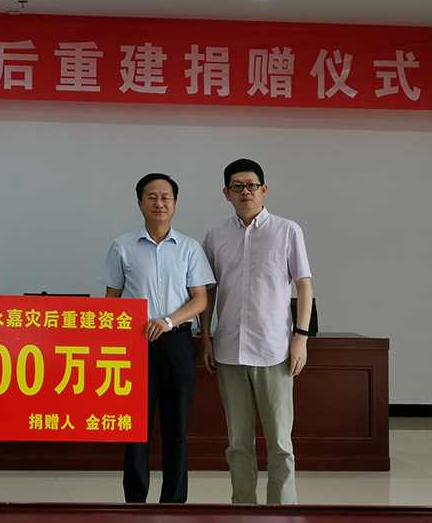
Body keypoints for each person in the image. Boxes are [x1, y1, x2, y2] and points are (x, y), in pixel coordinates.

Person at [200, 158, 314, 505]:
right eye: (237, 186)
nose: (245, 192)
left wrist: (301, 337)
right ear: (226, 193)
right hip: (229, 350)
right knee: (238, 443)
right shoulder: (215, 236)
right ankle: (243, 508)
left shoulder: (287, 230)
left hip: (274, 350)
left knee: (280, 442)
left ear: (264, 190)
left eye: (251, 185)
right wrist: (205, 337)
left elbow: (304, 285)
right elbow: (208, 291)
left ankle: (282, 511)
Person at [97, 172, 214, 504]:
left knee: (176, 428)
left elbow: (200, 300)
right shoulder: (122, 246)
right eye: (152, 197)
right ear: (140, 203)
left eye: (166, 197)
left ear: (175, 204)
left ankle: (174, 502)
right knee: (135, 427)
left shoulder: (189, 248)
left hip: (178, 343)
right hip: (135, 346)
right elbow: (111, 302)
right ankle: (135, 501)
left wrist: (168, 321)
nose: (159, 203)